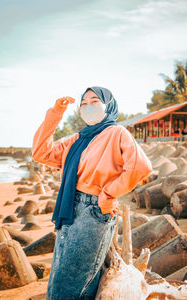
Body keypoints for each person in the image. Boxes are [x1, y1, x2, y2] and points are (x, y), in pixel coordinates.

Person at [32, 86, 153, 300]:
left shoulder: (116, 132)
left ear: (109, 106)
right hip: (69, 208)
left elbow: (140, 166)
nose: (88, 106)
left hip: (93, 211)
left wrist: (108, 194)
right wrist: (55, 113)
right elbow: (41, 152)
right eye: (84, 103)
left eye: (95, 101)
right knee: (59, 279)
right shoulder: (79, 138)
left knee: (73, 284)